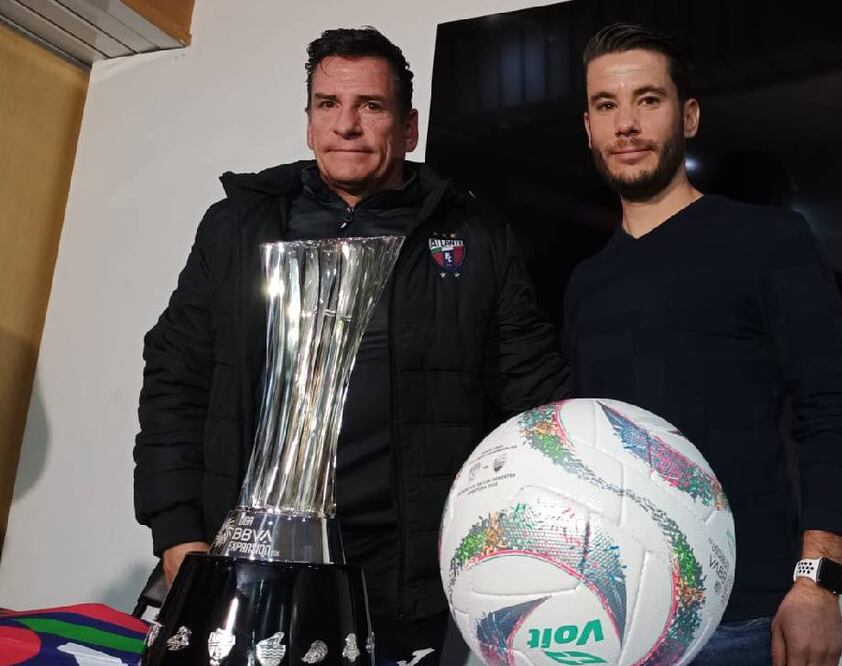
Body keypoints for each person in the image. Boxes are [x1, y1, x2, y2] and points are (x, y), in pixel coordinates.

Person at [133, 27, 569, 666]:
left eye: (371, 106)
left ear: (409, 126)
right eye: (327, 105)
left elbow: (530, 397)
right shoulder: (237, 227)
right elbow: (176, 376)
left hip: (402, 579)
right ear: (309, 123)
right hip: (245, 562)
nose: (347, 125)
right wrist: (176, 531)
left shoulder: (475, 237)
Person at [563, 24, 842, 666]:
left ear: (689, 115)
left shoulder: (771, 241)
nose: (626, 124)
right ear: (588, 126)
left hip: (746, 616)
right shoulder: (585, 284)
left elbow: (832, 410)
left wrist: (819, 581)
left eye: (648, 100)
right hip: (616, 620)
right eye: (606, 105)